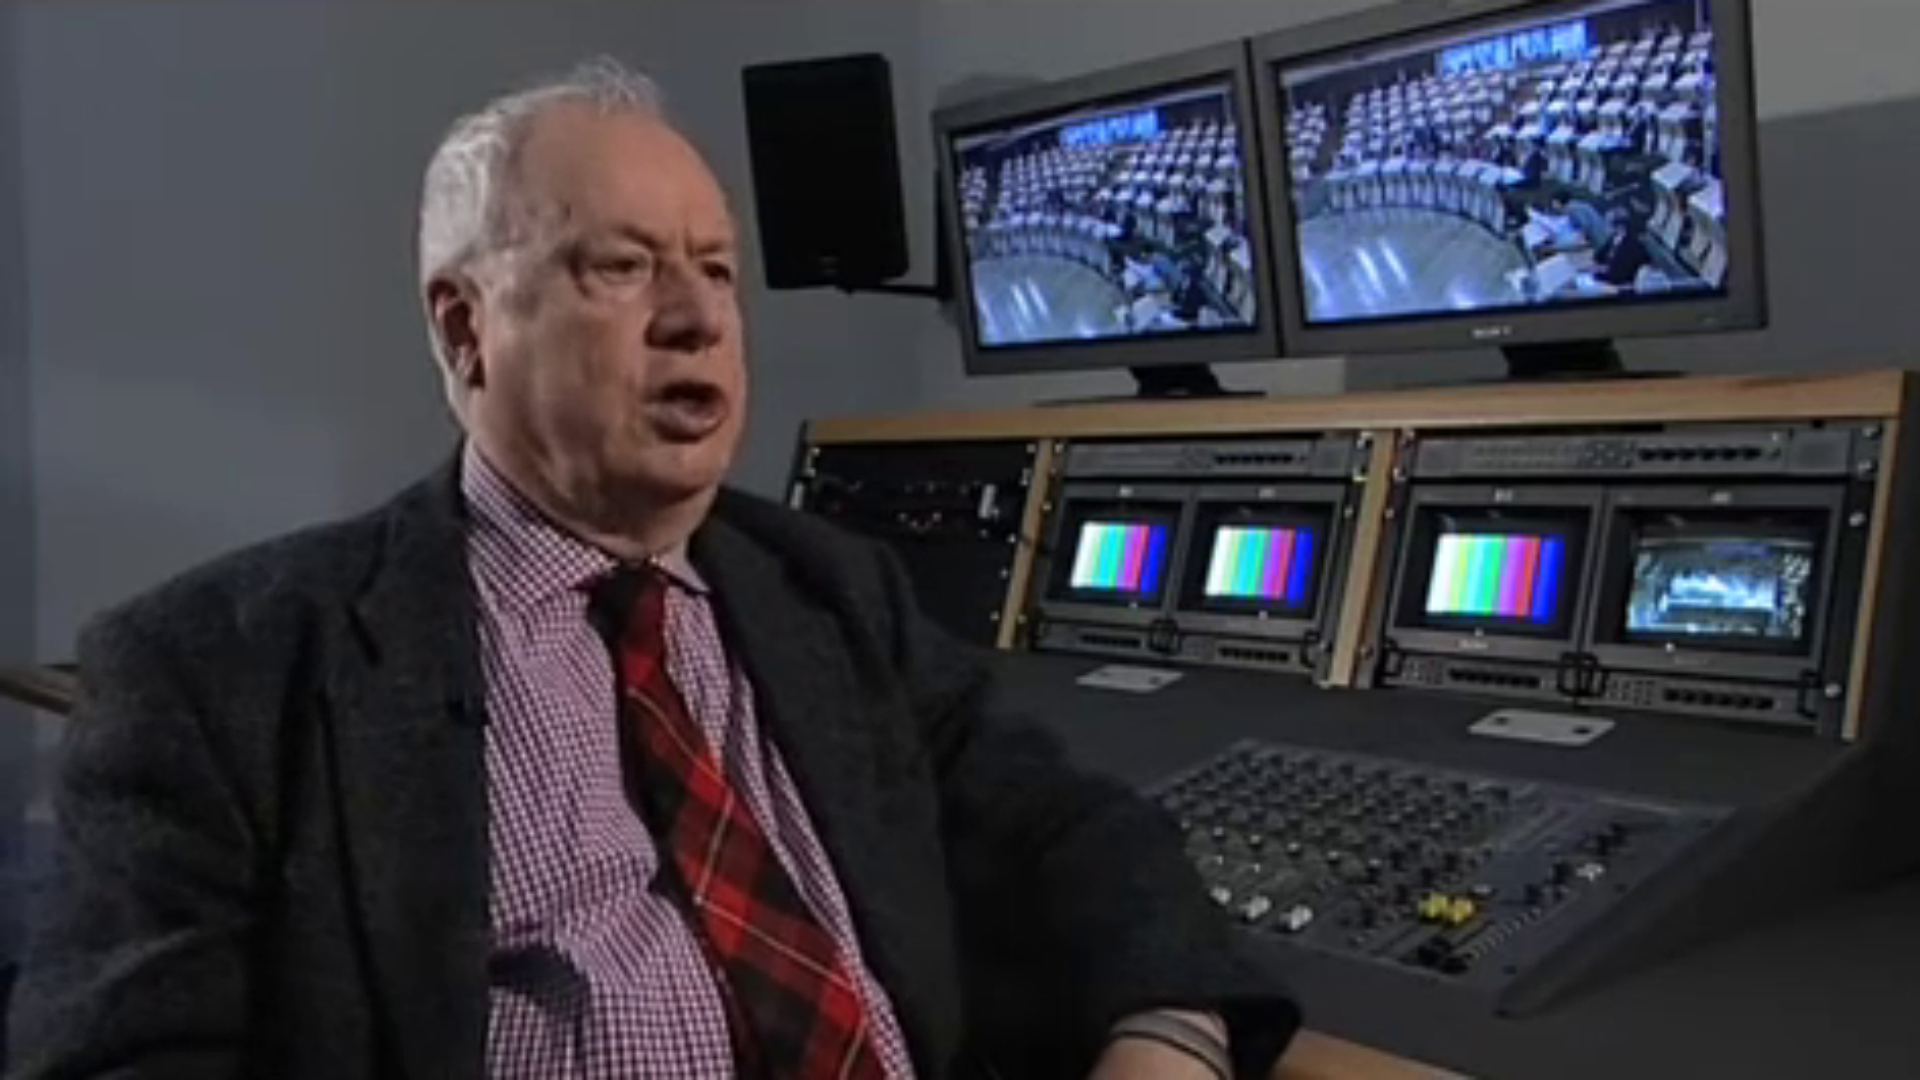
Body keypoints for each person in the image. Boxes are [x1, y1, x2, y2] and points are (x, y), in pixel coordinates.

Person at [6, 59, 1299, 1079]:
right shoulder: (217, 669)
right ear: (465, 328)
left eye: (718, 270)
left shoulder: (828, 591)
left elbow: (1080, 833)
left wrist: (1169, 1036)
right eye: (621, 265)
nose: (696, 316)